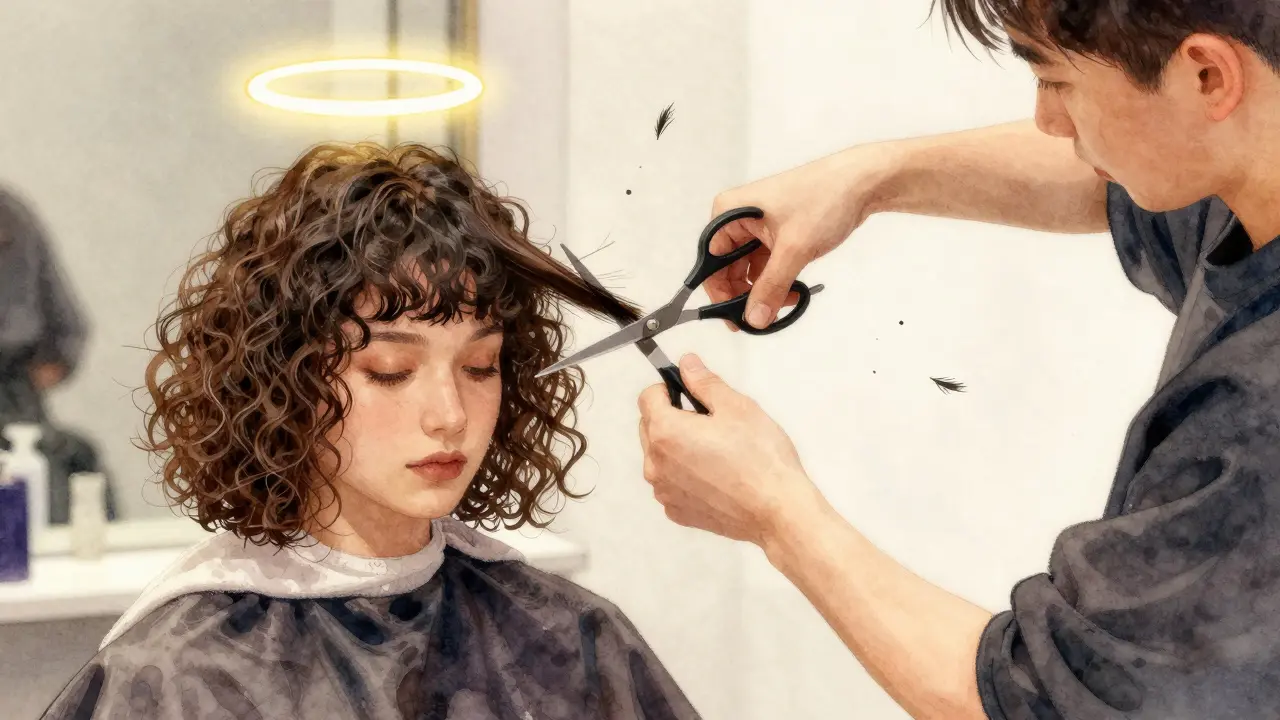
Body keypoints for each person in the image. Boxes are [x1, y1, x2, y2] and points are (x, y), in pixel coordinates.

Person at [637, 2, 1280, 719]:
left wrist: (773, 510)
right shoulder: (1248, 180)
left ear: (1207, 75)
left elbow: (1039, 703)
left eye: (1057, 81)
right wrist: (871, 177)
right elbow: (1116, 174)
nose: (1047, 120)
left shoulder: (1259, 414)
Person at [39, 142, 700, 719]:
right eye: (390, 371)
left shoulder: (572, 639)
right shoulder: (182, 674)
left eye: (480, 365)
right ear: (285, 380)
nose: (450, 414)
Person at [0, 183, 116, 523]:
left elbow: (67, 329)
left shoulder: (10, 216)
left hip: (14, 400)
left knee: (43, 503)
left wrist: (22, 385)